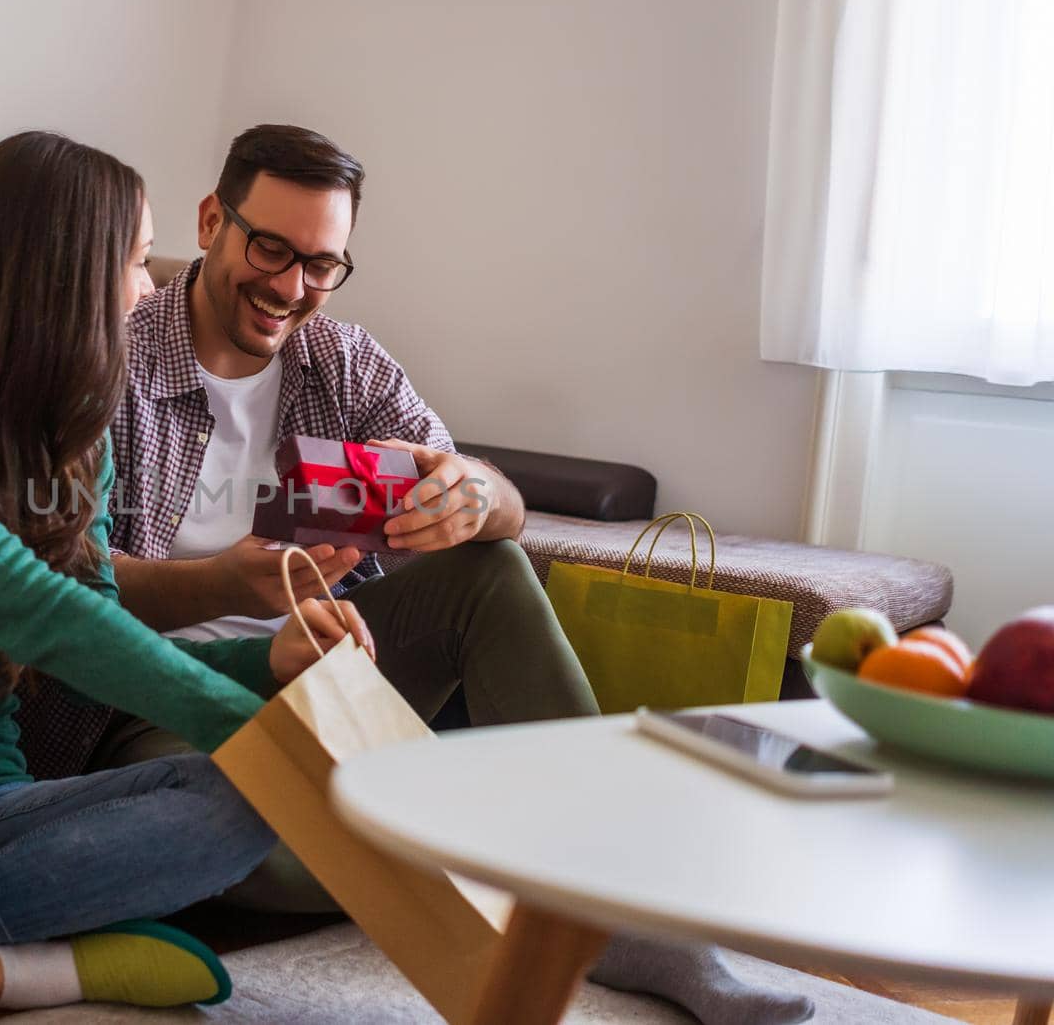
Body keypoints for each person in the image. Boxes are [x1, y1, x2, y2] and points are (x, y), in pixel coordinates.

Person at [95, 124, 813, 1025]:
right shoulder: (109, 354)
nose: (289, 288)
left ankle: (643, 922)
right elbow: (66, 591)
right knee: (260, 845)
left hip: (334, 670)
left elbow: (488, 493)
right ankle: (524, 844)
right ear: (210, 222)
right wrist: (227, 586)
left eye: (321, 264)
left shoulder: (344, 362)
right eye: (270, 248)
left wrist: (472, 493)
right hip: (160, 699)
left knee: (494, 564)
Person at [0, 130, 372, 1012]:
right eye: (135, 260)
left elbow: (101, 629)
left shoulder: (75, 436)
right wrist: (253, 722)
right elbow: (31, 610)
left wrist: (266, 664)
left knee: (253, 792)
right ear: (61, 272)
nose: (147, 287)